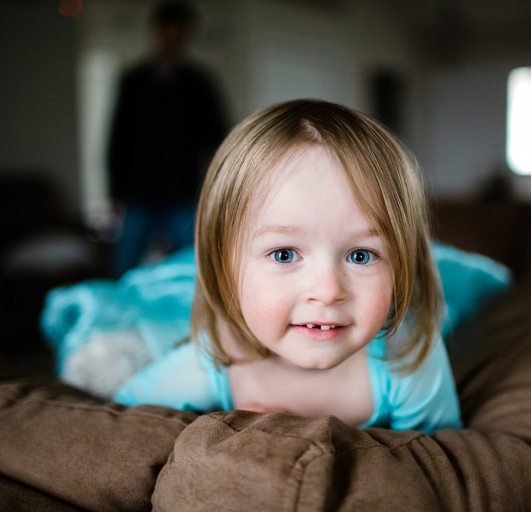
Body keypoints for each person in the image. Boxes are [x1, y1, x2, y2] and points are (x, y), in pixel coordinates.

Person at [111, 100, 468, 433]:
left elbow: (442, 461)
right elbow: (121, 416)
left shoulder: (408, 359)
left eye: (361, 255)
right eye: (284, 254)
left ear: (402, 266)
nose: (328, 291)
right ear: (223, 266)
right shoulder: (209, 364)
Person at [108, 1, 227, 278]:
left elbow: (217, 139)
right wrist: (114, 191)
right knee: (124, 267)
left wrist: (211, 189)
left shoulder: (199, 83)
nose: (172, 40)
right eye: (167, 32)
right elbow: (118, 138)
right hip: (138, 192)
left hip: (183, 191)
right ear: (156, 32)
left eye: (179, 34)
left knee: (195, 268)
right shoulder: (133, 81)